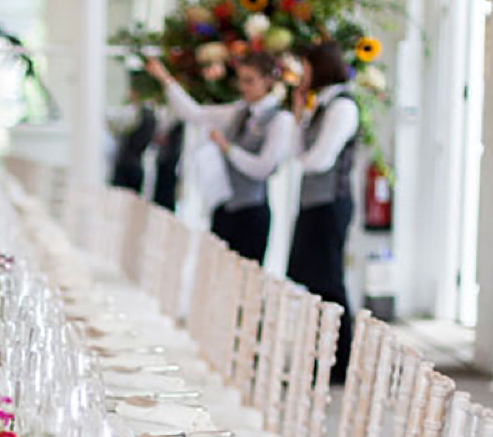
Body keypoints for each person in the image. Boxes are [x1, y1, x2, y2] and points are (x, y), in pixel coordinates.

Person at [144, 51, 292, 264]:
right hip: (224, 207)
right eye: (240, 80)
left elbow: (264, 168)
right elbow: (194, 113)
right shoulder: (237, 111)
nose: (243, 88)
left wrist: (227, 149)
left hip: (252, 211)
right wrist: (164, 79)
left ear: (268, 80)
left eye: (249, 81)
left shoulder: (280, 120)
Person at [286, 41, 361, 383]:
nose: (302, 75)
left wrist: (301, 158)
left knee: (330, 282)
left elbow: (318, 160)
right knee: (313, 282)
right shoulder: (321, 106)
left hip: (331, 204)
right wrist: (298, 111)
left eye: (306, 67)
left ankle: (342, 361)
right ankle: (322, 357)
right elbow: (299, 150)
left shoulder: (343, 107)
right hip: (313, 203)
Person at [110, 85, 157, 194]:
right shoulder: (151, 116)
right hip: (137, 163)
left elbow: (119, 126)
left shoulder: (135, 113)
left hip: (126, 164)